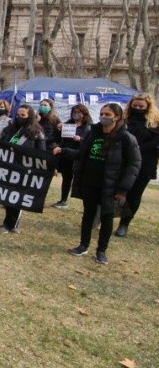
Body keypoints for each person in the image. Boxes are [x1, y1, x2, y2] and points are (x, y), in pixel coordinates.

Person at [67, 103, 140, 264]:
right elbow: (82, 154)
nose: (103, 117)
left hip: (111, 185)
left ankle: (101, 250)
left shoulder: (126, 138)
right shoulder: (93, 133)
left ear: (117, 117)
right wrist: (64, 151)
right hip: (89, 181)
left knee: (107, 217)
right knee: (88, 214)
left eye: (108, 114)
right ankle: (83, 245)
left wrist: (123, 188)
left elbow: (134, 165)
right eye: (102, 113)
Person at [0, 105, 46, 233]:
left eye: (23, 115)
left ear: (30, 117)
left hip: (25, 170)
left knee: (18, 196)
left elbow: (41, 153)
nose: (19, 117)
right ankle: (8, 222)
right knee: (8, 195)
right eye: (18, 115)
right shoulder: (10, 128)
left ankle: (12, 223)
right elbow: (2, 143)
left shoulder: (36, 132)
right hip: (9, 167)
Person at [118, 93, 159, 237]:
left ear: (148, 107)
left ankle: (124, 224)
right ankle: (106, 217)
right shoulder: (123, 119)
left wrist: (135, 149)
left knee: (134, 194)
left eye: (141, 106)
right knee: (117, 191)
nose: (137, 108)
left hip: (145, 163)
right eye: (134, 106)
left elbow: (155, 142)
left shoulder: (155, 122)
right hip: (122, 161)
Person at [51, 104, 92, 209]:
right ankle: (63, 200)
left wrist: (81, 139)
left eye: (78, 112)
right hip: (65, 155)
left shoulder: (88, 126)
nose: (76, 114)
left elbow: (90, 142)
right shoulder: (68, 124)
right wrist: (59, 128)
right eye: (74, 112)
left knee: (82, 181)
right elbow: (60, 138)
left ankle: (88, 205)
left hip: (79, 156)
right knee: (66, 179)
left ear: (84, 114)